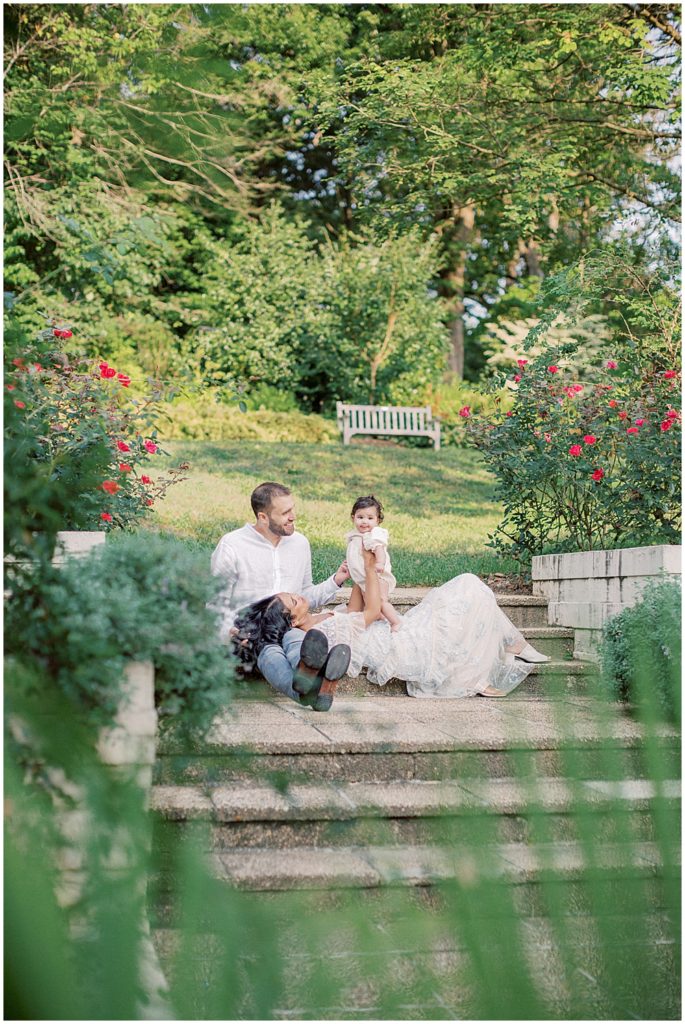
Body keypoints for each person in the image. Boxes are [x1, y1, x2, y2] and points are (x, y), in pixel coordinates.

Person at [234, 545, 551, 702]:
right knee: (467, 586)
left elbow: (357, 604)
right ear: (292, 618)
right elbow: (371, 613)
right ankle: (513, 643)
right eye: (294, 600)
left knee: (467, 587)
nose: (299, 596)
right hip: (403, 647)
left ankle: (512, 642)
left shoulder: (319, 618)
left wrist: (359, 562)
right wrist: (371, 570)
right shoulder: (318, 634)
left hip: (398, 631)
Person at [210, 481, 350, 702]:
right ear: (263, 517)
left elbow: (306, 595)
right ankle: (311, 689)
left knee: (295, 639)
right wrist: (232, 632)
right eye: (285, 512)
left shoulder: (300, 544)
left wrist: (335, 581)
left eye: (292, 509)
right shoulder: (232, 545)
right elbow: (217, 603)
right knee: (268, 649)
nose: (293, 516)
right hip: (249, 630)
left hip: (288, 624)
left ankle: (311, 676)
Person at [346, 495, 402, 631]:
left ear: (378, 520)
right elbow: (354, 555)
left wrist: (380, 563)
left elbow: (379, 549)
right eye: (360, 517)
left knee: (380, 600)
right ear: (353, 517)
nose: (365, 522)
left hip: (378, 576)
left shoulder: (373, 535)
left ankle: (395, 622)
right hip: (364, 578)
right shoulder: (354, 535)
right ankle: (380, 617)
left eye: (370, 518)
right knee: (369, 602)